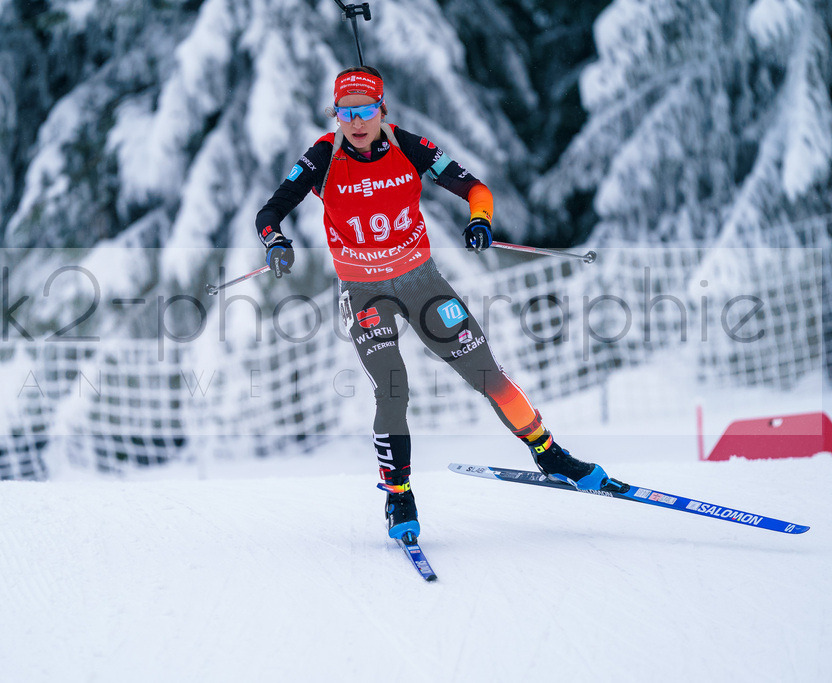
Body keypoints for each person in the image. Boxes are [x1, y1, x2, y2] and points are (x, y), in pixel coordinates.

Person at [255, 65, 625, 542]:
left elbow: (476, 189)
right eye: (346, 112)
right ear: (336, 115)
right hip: (365, 292)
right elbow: (270, 211)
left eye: (366, 110)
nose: (357, 122)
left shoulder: (409, 146)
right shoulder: (322, 156)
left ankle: (550, 455)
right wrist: (275, 241)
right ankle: (398, 495)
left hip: (422, 284)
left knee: (488, 374)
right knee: (393, 389)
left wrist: (480, 219)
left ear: (382, 109)